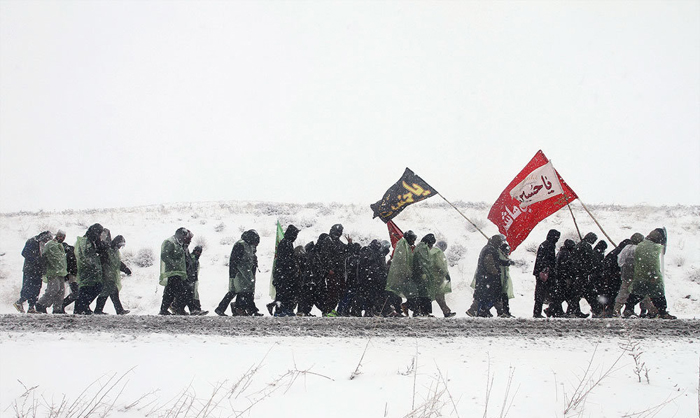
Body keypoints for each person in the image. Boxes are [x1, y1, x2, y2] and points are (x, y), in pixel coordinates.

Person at [623, 228, 676, 319]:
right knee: (658, 294)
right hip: (651, 275)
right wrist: (654, 275)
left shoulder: (640, 245)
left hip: (640, 275)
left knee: (637, 293)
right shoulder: (654, 248)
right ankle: (662, 312)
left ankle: (628, 309)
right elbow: (652, 263)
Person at [215, 230, 261, 316]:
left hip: (243, 272)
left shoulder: (248, 245)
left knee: (236, 291)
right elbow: (235, 260)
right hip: (239, 273)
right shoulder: (241, 244)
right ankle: (241, 308)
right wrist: (236, 272)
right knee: (242, 291)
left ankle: (223, 308)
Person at [613, 233, 654, 316]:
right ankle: (651, 310)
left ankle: (616, 310)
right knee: (644, 294)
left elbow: (620, 261)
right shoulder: (640, 250)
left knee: (623, 293)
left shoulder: (626, 248)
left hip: (626, 275)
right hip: (638, 276)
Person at [14, 230, 52, 313]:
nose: (47, 241)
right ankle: (20, 302)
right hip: (30, 270)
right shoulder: (32, 241)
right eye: (47, 239)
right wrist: (36, 260)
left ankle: (31, 307)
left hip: (38, 270)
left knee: (37, 288)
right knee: (29, 287)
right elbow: (24, 253)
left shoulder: (42, 244)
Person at [74, 224, 107, 315]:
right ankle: (81, 308)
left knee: (92, 288)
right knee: (87, 289)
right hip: (87, 270)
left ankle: (83, 307)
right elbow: (87, 256)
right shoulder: (85, 241)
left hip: (91, 270)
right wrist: (93, 266)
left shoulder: (90, 241)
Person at [94, 234, 131, 315]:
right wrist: (125, 269)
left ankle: (99, 310)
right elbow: (114, 262)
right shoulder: (109, 250)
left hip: (110, 275)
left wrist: (125, 269)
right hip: (107, 275)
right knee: (111, 292)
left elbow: (117, 262)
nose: (120, 247)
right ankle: (118, 310)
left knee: (107, 293)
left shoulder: (113, 250)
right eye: (120, 245)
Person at [159, 227, 191, 315]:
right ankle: (178, 309)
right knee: (179, 291)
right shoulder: (170, 242)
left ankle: (165, 309)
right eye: (183, 236)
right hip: (173, 272)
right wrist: (173, 264)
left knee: (171, 291)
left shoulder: (178, 243)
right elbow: (164, 255)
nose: (183, 238)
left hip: (178, 272)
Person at [473, 235, 507, 317]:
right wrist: (496, 272)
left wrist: (505, 262)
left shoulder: (488, 249)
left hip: (484, 277)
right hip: (489, 278)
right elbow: (489, 264)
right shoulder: (490, 250)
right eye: (499, 242)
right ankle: (483, 310)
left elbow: (496, 261)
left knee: (486, 295)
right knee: (491, 295)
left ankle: (484, 311)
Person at [35, 230, 68, 314]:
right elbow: (54, 259)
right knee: (53, 290)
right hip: (53, 271)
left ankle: (57, 308)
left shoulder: (58, 245)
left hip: (60, 272)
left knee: (61, 291)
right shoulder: (51, 245)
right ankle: (41, 304)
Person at [385, 230, 417, 315]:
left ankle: (402, 309)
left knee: (400, 293)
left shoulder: (404, 245)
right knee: (398, 293)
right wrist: (406, 272)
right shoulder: (402, 245)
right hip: (400, 274)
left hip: (402, 274)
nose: (413, 242)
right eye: (412, 239)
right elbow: (402, 261)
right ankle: (400, 310)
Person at [567, 232, 598, 318]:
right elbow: (591, 261)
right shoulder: (586, 247)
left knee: (577, 293)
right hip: (582, 273)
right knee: (585, 293)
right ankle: (596, 310)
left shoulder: (578, 246)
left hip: (577, 273)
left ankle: (572, 311)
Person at [272, 225, 301, 316]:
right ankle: (280, 310)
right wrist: (291, 269)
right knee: (283, 292)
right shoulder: (286, 243)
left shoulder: (285, 242)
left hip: (282, 273)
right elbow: (286, 260)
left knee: (283, 292)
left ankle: (282, 309)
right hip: (284, 273)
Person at [597, 239, 630, 318]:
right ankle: (611, 310)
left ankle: (607, 310)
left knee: (609, 294)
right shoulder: (620, 253)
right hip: (614, 277)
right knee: (614, 294)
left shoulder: (613, 252)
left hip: (608, 277)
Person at [532, 229, 560, 318]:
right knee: (550, 293)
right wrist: (548, 270)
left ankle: (540, 311)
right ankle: (550, 311)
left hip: (541, 273)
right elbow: (548, 261)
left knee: (541, 294)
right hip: (546, 274)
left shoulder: (544, 244)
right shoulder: (549, 245)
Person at [428, 241, 455, 317]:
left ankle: (446, 311)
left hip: (430, 277)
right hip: (437, 277)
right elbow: (440, 265)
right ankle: (446, 311)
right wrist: (445, 274)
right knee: (438, 295)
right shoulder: (438, 252)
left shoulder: (431, 251)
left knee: (436, 295)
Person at [551, 239, 576, 317]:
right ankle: (561, 311)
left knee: (561, 295)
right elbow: (566, 267)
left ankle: (554, 310)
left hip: (559, 277)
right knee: (566, 295)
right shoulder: (566, 254)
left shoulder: (561, 252)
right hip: (564, 277)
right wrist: (569, 276)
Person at [183, 245, 207, 315]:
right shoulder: (192, 258)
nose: (198, 253)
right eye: (197, 251)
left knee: (192, 294)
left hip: (192, 279)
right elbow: (191, 269)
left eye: (200, 252)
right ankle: (196, 309)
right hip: (191, 279)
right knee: (192, 294)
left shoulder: (193, 258)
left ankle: (196, 309)